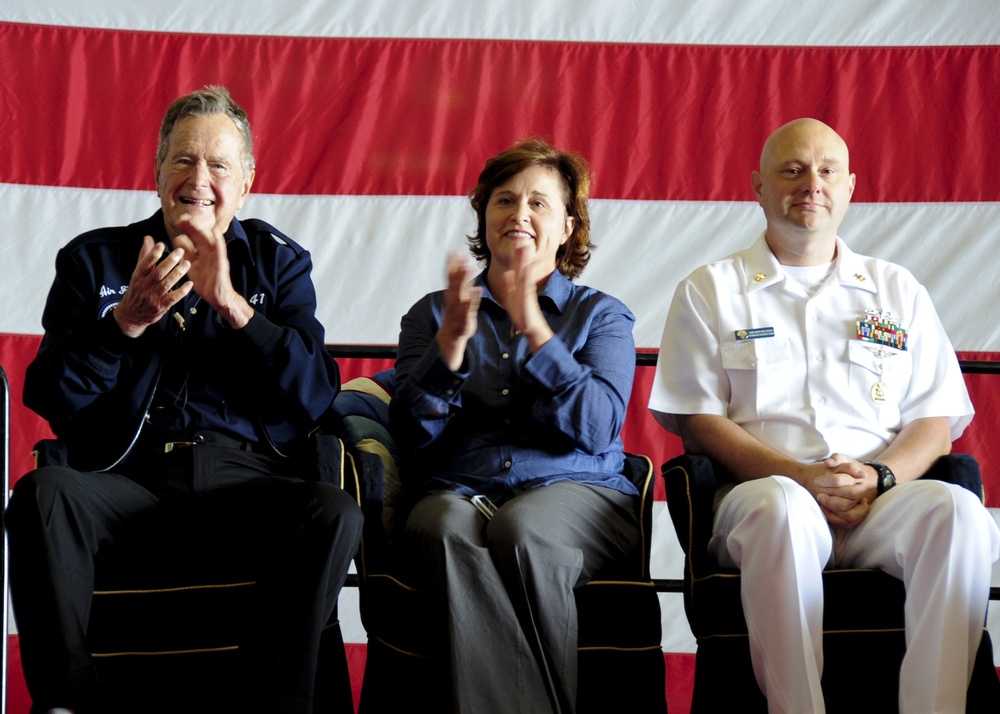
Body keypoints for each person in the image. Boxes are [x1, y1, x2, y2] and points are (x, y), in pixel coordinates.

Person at [4, 86, 363, 714]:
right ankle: (70, 703)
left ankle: (275, 704)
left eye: (219, 165)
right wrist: (126, 323)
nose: (200, 180)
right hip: (127, 479)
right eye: (184, 160)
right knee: (41, 495)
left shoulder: (278, 264)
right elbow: (49, 393)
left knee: (334, 512)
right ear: (157, 170)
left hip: (245, 482)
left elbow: (314, 394)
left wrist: (234, 307)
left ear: (246, 182)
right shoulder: (95, 260)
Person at [648, 117, 1000, 713]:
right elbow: (699, 421)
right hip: (762, 496)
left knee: (961, 514)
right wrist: (799, 476)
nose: (811, 183)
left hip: (878, 500)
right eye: (792, 169)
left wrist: (881, 476)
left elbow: (933, 420)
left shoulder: (898, 290)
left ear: (850, 187)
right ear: (758, 185)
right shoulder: (710, 289)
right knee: (783, 508)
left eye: (826, 170)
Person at [391, 138, 642, 713]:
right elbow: (409, 435)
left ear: (567, 226)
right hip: (458, 489)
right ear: (484, 216)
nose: (520, 214)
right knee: (446, 527)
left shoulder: (602, 315)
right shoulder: (433, 313)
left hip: (578, 493)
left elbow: (600, 427)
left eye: (538, 203)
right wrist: (449, 348)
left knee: (523, 529)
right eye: (505, 201)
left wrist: (536, 330)